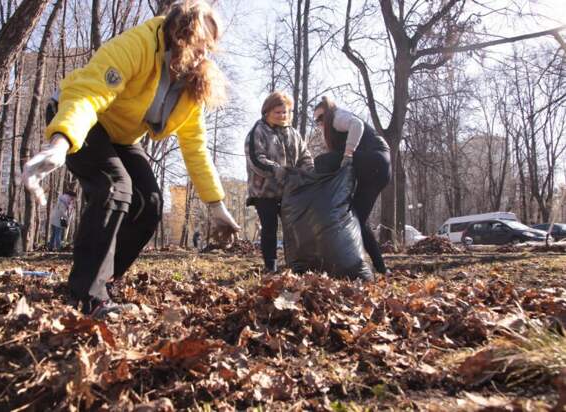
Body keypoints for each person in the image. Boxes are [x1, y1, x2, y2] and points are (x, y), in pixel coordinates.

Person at [22, 0, 240, 318]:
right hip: (78, 116)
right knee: (115, 186)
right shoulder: (139, 43)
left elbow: (195, 146)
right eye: (196, 42)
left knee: (149, 201)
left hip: (120, 136)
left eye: (208, 47)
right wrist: (61, 141)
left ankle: (103, 280)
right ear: (178, 33)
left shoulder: (193, 85)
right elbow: (89, 94)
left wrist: (216, 206)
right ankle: (86, 296)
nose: (202, 54)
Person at [312, 96, 391, 275]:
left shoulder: (337, 117)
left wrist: (348, 155)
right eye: (316, 120)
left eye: (321, 117)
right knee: (358, 220)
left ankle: (320, 200)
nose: (320, 122)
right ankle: (382, 269)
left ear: (329, 112)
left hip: (375, 159)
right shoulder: (332, 128)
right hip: (378, 171)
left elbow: (357, 125)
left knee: (322, 161)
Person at [245, 91, 314, 272]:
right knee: (269, 228)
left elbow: (305, 156)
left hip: (290, 190)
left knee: (293, 228)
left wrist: (308, 174)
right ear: (267, 111)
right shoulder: (257, 131)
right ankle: (271, 265)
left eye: (286, 112)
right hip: (264, 191)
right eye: (278, 112)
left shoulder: (293, 133)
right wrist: (279, 171)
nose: (282, 116)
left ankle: (295, 264)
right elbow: (256, 159)